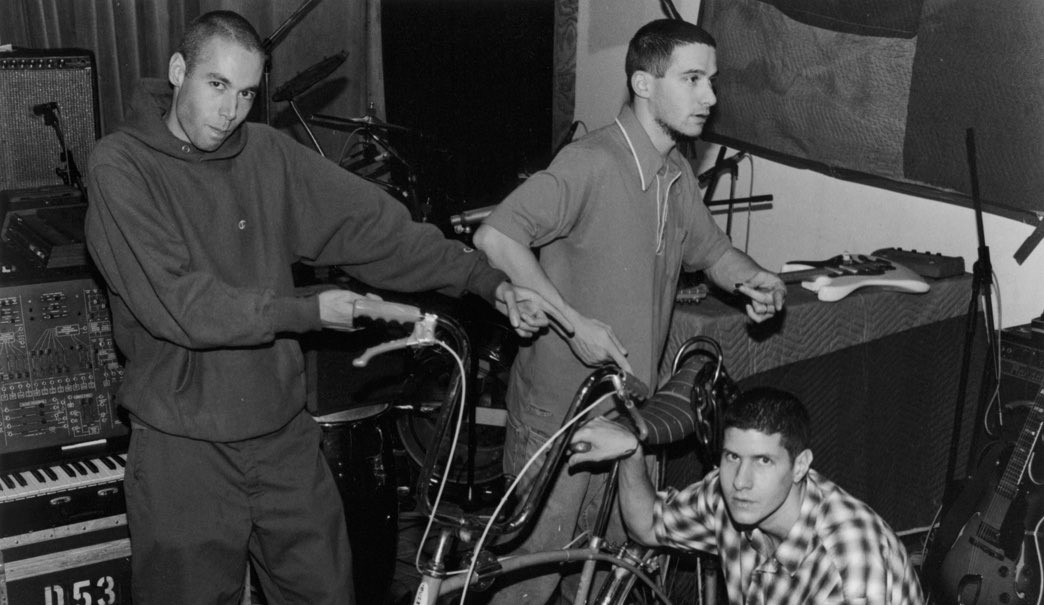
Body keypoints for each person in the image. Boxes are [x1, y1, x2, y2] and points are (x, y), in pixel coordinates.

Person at [84, 10, 567, 605]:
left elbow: (375, 230)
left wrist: (484, 279)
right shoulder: (121, 165)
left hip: (280, 434)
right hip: (183, 449)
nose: (230, 110)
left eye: (246, 93)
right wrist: (309, 312)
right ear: (178, 71)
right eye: (216, 86)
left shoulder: (264, 152)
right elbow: (183, 306)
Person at [472, 18, 785, 603]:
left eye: (711, 81)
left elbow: (711, 251)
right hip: (560, 420)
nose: (710, 98)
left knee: (609, 583)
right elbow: (497, 236)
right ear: (644, 83)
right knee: (530, 587)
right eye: (692, 79)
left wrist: (754, 278)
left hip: (632, 417)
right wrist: (573, 322)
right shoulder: (590, 162)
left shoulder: (676, 173)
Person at [568, 387, 925, 604]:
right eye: (732, 456)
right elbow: (647, 526)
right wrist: (631, 452)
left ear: (800, 466)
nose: (741, 480)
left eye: (764, 461)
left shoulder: (850, 562)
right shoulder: (728, 497)